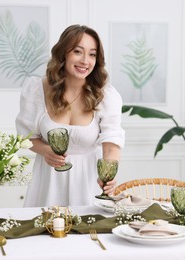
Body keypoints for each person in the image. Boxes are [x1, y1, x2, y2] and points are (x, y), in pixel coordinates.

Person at [15, 24, 125, 207]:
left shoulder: (105, 96)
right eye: (77, 52)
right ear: (63, 54)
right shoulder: (36, 90)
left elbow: (112, 144)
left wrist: (108, 176)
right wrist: (46, 151)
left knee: (88, 233)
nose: (85, 61)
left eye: (92, 54)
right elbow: (26, 138)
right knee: (45, 232)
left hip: (88, 184)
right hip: (48, 182)